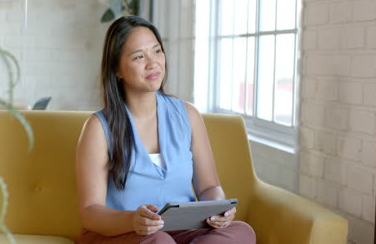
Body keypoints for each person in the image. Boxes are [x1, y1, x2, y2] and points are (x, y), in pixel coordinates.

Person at [76, 15, 256, 244]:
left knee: (241, 232)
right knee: (159, 242)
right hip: (124, 235)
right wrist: (132, 221)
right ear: (117, 70)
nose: (153, 63)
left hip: (183, 233)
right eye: (139, 56)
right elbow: (90, 211)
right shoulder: (98, 128)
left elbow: (209, 186)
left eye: (157, 51)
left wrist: (219, 208)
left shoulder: (188, 115)